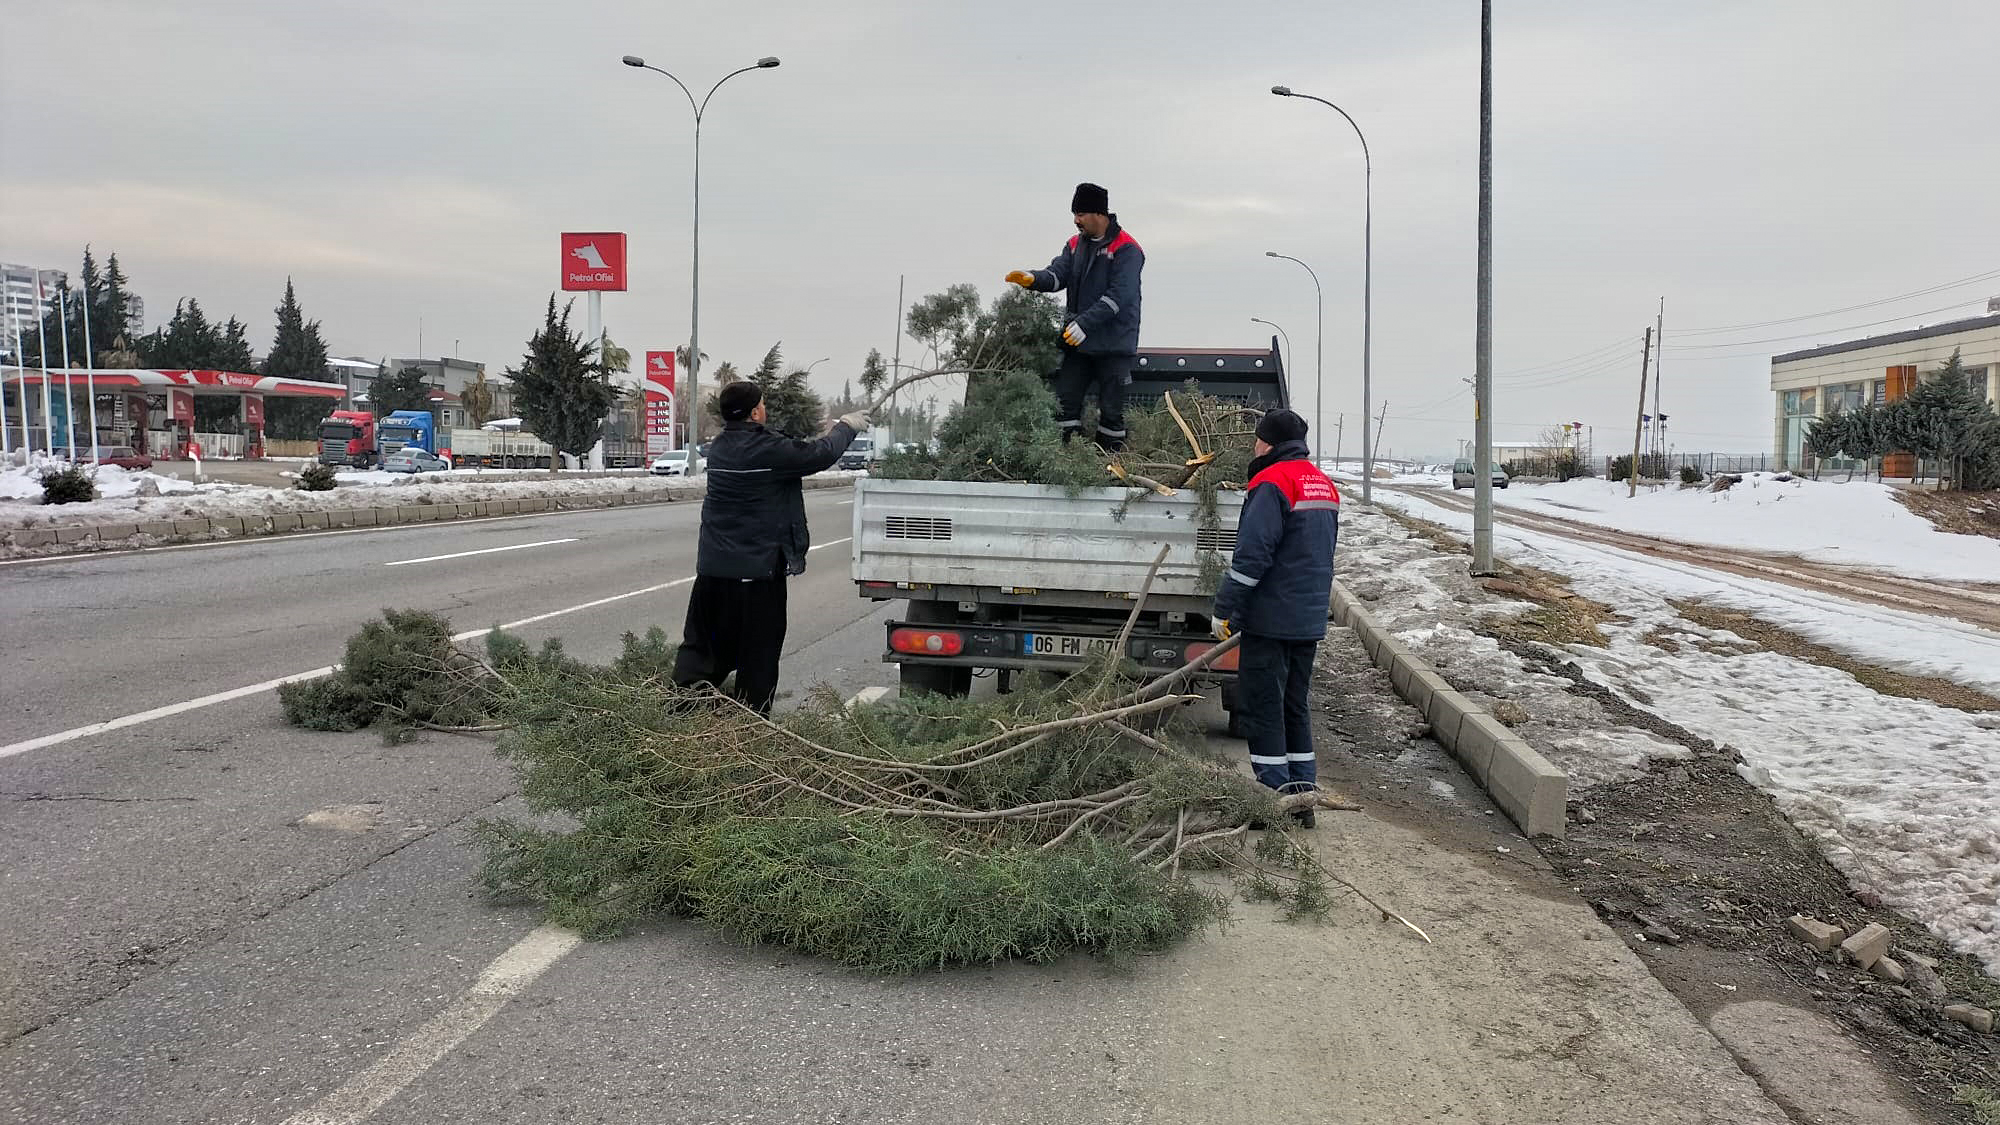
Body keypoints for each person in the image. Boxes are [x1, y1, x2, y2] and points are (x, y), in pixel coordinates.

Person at [671, 382, 869, 715]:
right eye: (761, 404)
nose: (765, 409)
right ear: (754, 412)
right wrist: (846, 426)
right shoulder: (767, 451)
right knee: (758, 657)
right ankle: (751, 731)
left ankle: (677, 716)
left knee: (702, 648)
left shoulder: (719, 448)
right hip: (757, 576)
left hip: (712, 573)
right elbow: (820, 454)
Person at [1210, 409, 1339, 827]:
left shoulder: (1270, 483)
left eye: (1257, 439)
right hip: (1307, 619)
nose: (1254, 446)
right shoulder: (1323, 485)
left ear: (1268, 443)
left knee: (1264, 708)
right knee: (1294, 706)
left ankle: (1269, 803)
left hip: (1271, 617)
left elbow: (1252, 558)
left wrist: (1224, 607)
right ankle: (1303, 798)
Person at [1004, 182, 1144, 451]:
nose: (1076, 220)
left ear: (1099, 214)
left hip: (1114, 345)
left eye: (1081, 214)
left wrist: (1085, 323)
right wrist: (1033, 279)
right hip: (1078, 343)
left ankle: (1109, 463)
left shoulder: (1127, 249)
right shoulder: (1073, 245)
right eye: (1074, 214)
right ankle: (1066, 459)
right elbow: (1058, 275)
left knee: (1112, 413)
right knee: (1064, 403)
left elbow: (1119, 296)